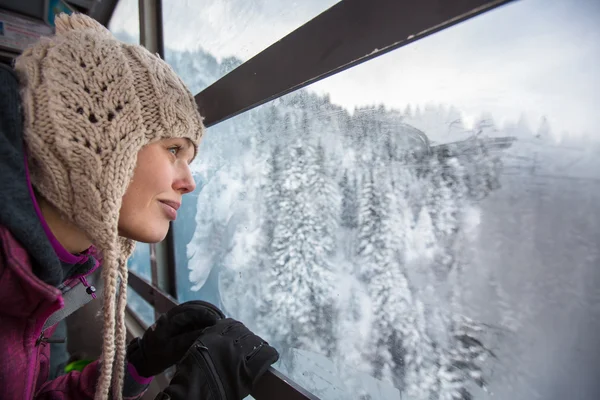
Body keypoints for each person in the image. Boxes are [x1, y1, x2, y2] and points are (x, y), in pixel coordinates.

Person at [0, 12, 278, 400]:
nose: (189, 182)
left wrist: (137, 364)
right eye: (174, 150)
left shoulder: (34, 275)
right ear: (102, 139)